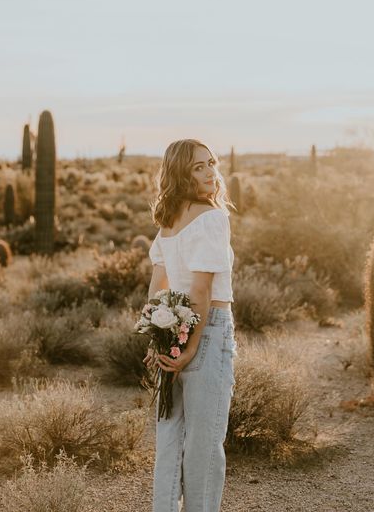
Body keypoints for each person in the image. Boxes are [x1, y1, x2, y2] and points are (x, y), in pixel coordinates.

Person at [145, 138, 238, 512]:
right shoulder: (212, 218)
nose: (210, 172)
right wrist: (193, 347)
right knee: (204, 443)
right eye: (198, 167)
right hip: (208, 329)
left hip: (171, 326)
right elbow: (200, 289)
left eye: (211, 163)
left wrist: (158, 335)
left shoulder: (168, 221)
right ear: (181, 174)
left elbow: (157, 286)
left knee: (170, 436)